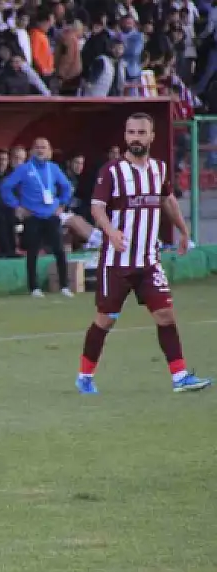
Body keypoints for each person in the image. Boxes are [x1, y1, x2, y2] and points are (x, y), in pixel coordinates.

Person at [76, 114, 211, 395]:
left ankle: (180, 376)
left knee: (166, 315)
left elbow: (167, 200)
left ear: (151, 137)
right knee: (106, 319)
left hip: (149, 261)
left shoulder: (159, 169)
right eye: (131, 132)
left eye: (141, 132)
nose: (135, 138)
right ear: (125, 136)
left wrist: (184, 232)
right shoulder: (111, 171)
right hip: (117, 262)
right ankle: (85, 375)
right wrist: (111, 232)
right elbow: (97, 207)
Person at [0, 137, 74, 297]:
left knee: (59, 250)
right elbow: (6, 187)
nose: (41, 150)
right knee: (32, 252)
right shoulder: (24, 169)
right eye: (37, 147)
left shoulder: (53, 168)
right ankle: (34, 287)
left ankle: (65, 286)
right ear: (32, 151)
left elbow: (67, 187)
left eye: (44, 147)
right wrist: (16, 206)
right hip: (32, 216)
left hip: (51, 215)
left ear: (49, 151)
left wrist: (62, 205)